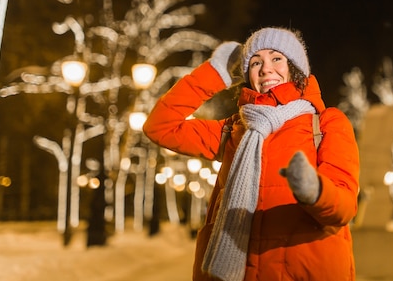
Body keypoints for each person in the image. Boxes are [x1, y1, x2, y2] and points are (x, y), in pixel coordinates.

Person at [143, 26, 360, 281]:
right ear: (247, 76)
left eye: (276, 58)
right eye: (256, 62)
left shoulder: (325, 124)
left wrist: (315, 191)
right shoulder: (233, 130)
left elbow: (344, 207)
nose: (266, 69)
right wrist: (215, 74)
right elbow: (160, 126)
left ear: (295, 68)